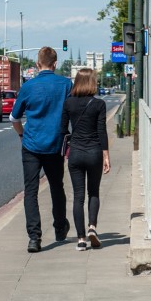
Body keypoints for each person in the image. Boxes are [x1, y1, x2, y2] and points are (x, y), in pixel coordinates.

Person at [10, 46, 73, 253]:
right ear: (55, 64)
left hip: (31, 145)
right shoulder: (65, 84)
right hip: (55, 145)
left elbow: (14, 118)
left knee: (31, 191)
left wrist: (22, 135)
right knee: (57, 187)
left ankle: (34, 238)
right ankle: (59, 227)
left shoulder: (29, 87)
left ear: (38, 64)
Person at [60, 68, 110, 251]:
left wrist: (70, 143)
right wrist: (106, 155)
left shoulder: (68, 103)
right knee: (94, 192)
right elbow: (101, 131)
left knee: (78, 197)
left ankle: (81, 239)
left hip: (76, 153)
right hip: (94, 152)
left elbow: (62, 129)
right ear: (92, 83)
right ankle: (92, 228)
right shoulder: (99, 105)